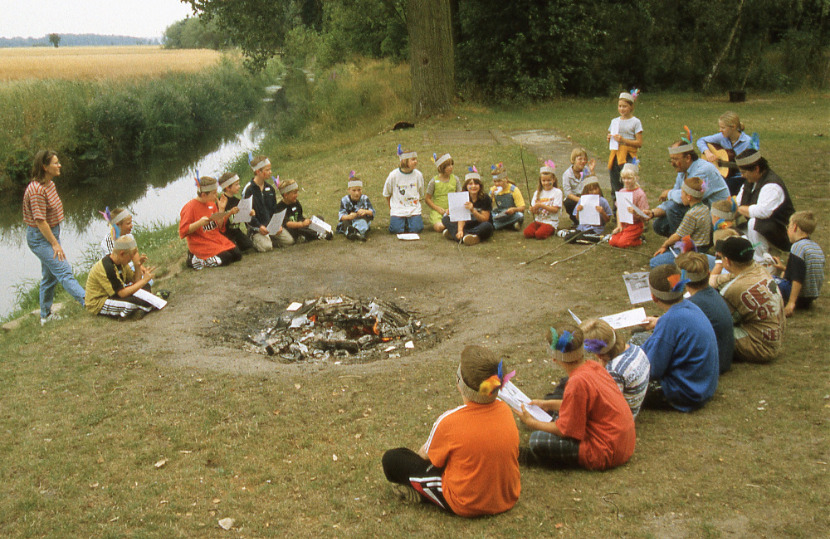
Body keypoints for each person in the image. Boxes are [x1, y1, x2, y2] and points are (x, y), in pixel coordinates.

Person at [381, 345, 520, 517]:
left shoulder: (449, 421)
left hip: (467, 503)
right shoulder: (505, 410)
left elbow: (427, 457)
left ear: (460, 384)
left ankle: (421, 494)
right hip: (507, 496)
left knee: (393, 460)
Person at [516, 323, 636, 470]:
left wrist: (532, 423)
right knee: (545, 414)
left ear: (555, 358)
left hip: (607, 450)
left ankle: (541, 460)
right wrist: (546, 404)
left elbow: (565, 431)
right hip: (623, 442)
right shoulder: (593, 366)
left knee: (537, 440)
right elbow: (580, 405)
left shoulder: (577, 382)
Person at [638, 264, 719, 412]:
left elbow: (653, 369)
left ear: (653, 297)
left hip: (686, 393)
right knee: (638, 340)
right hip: (703, 385)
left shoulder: (670, 321)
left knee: (626, 376)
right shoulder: (689, 306)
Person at [22, 150, 86, 325]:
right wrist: (55, 244)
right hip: (41, 238)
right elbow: (40, 221)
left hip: (51, 234)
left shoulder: (50, 185)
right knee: (64, 271)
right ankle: (90, 303)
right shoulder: (36, 190)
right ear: (45, 166)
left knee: (50, 277)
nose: (59, 165)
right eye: (55, 163)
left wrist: (55, 239)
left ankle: (45, 316)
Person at [710, 236, 785, 363]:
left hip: (759, 347)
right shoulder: (759, 269)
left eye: (720, 257)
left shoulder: (733, 289)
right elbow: (720, 280)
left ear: (727, 261)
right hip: (774, 338)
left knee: (708, 328)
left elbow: (722, 321)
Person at [648, 138, 728, 238]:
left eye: (676, 159)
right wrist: (652, 213)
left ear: (688, 158)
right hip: (701, 211)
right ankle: (682, 243)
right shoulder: (683, 171)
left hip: (717, 218)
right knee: (659, 225)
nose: (672, 163)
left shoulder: (703, 170)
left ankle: (687, 247)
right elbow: (676, 199)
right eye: (671, 159)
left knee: (673, 210)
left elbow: (685, 198)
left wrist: (668, 193)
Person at [675, 252, 735, 374]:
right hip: (723, 358)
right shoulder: (711, 294)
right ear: (708, 273)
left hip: (710, 364)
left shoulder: (693, 305)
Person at [580, 319, 650, 419]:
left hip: (622, 418)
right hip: (632, 403)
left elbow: (608, 405)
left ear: (598, 354)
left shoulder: (614, 370)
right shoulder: (634, 348)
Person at [734, 148, 795, 263]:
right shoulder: (750, 182)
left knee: (753, 222)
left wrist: (740, 209)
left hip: (782, 233)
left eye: (744, 172)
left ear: (756, 169)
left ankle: (762, 261)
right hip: (764, 231)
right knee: (736, 235)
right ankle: (752, 258)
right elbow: (737, 202)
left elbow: (763, 212)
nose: (742, 175)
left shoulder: (772, 185)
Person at [84, 234, 157, 319]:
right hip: (101, 301)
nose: (132, 259)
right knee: (130, 304)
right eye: (131, 257)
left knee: (145, 286)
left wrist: (137, 266)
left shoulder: (121, 263)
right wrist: (144, 280)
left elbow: (135, 281)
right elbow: (122, 294)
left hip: (115, 295)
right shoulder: (108, 267)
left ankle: (142, 307)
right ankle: (139, 309)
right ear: (122, 254)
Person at [179, 175, 242, 270]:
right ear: (204, 195)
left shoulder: (212, 204)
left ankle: (208, 257)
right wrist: (199, 223)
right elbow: (183, 231)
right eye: (214, 193)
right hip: (200, 243)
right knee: (226, 258)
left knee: (237, 255)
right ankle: (195, 259)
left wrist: (221, 209)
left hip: (214, 239)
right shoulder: (190, 207)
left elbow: (220, 227)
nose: (217, 195)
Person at [771, 211, 825, 316]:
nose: (787, 229)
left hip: (799, 296)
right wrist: (783, 268)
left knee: (765, 279)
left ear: (794, 227)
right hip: (810, 296)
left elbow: (798, 278)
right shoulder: (815, 247)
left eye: (788, 226)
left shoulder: (798, 246)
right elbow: (804, 271)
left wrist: (791, 303)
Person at [650, 177, 711, 268]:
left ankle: (685, 266)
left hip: (693, 251)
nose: (681, 196)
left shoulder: (691, 214)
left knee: (654, 262)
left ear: (689, 197)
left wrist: (664, 245)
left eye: (682, 193)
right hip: (703, 246)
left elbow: (677, 236)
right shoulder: (705, 208)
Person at [696, 112, 752, 196]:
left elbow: (752, 165)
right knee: (700, 184)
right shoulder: (721, 137)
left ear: (733, 127)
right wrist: (707, 152)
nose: (720, 130)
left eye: (723, 127)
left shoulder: (748, 143)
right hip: (722, 174)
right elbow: (701, 141)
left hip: (738, 177)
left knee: (717, 188)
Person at [606, 90, 643, 202]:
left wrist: (623, 140)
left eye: (625, 106)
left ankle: (630, 209)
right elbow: (611, 136)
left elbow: (639, 143)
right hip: (615, 154)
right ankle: (616, 210)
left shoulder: (635, 122)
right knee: (615, 183)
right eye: (620, 106)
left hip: (628, 155)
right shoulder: (615, 121)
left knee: (628, 183)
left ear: (631, 107)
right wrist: (609, 138)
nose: (621, 109)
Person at [440, 168, 494, 246]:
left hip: (480, 224)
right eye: (470, 184)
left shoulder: (485, 198)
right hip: (467, 224)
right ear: (466, 186)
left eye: (476, 184)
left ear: (480, 186)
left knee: (487, 226)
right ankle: (466, 236)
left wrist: (473, 210)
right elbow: (460, 217)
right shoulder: (462, 196)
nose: (473, 186)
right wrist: (460, 230)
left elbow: (484, 219)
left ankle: (456, 235)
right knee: (445, 219)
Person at [274, 179, 333, 246]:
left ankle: (323, 230)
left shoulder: (296, 203)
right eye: (294, 193)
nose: (296, 195)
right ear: (285, 195)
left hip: (300, 224)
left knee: (319, 218)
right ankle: (319, 235)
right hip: (292, 230)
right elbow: (287, 224)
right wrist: (302, 224)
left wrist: (307, 221)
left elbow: (300, 216)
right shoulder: (280, 207)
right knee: (302, 229)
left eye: (297, 193)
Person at [241, 155, 280, 252]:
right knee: (267, 247)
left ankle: (271, 238)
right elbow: (245, 216)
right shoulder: (248, 190)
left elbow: (274, 210)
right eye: (267, 170)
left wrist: (277, 224)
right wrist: (258, 227)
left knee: (289, 241)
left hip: (271, 226)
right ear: (258, 172)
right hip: (256, 229)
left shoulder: (270, 189)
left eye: (270, 169)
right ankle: (254, 239)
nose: (270, 172)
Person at [383, 145, 424, 234]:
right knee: (395, 230)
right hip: (398, 208)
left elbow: (420, 192)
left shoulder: (418, 175)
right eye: (413, 160)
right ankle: (402, 222)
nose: (416, 162)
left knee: (417, 229)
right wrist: (391, 206)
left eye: (416, 159)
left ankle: (410, 221)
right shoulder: (393, 175)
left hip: (413, 208)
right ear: (404, 161)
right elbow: (387, 193)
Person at [609, 163, 649, 248]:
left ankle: (639, 240)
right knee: (612, 241)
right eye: (624, 178)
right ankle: (627, 236)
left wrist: (635, 211)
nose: (626, 181)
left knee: (622, 243)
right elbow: (619, 210)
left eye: (629, 178)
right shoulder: (622, 192)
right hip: (624, 224)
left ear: (636, 178)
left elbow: (645, 216)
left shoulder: (640, 194)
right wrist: (619, 225)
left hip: (635, 224)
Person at [523, 160, 562, 240]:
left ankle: (550, 230)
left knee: (539, 234)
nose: (546, 183)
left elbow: (555, 210)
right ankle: (540, 229)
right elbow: (535, 212)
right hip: (538, 220)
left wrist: (541, 205)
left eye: (549, 180)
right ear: (540, 181)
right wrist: (533, 209)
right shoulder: (537, 193)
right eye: (544, 181)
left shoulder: (557, 192)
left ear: (553, 180)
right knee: (527, 233)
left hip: (550, 222)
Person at [217, 172, 255, 252]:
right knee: (234, 250)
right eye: (236, 185)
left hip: (236, 231)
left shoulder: (237, 201)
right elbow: (218, 223)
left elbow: (244, 218)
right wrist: (230, 213)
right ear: (228, 187)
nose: (239, 186)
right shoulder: (220, 202)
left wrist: (250, 213)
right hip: (226, 233)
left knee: (249, 246)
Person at [424, 153, 460, 232]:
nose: (451, 167)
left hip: (452, 210)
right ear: (441, 167)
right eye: (447, 165)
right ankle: (448, 228)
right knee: (439, 227)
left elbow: (459, 196)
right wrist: (437, 208)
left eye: (451, 164)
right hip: (438, 212)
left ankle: (450, 227)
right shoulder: (434, 181)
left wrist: (451, 208)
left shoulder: (455, 179)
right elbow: (427, 199)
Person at [337, 171, 375, 241]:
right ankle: (351, 232)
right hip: (349, 221)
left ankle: (357, 232)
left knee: (362, 221)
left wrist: (365, 212)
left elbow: (372, 212)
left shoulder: (364, 198)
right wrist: (349, 216)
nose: (357, 193)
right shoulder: (345, 200)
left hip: (361, 220)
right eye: (354, 190)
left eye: (359, 190)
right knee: (345, 222)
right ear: (349, 190)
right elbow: (341, 216)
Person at [489, 162, 525, 231]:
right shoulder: (493, 189)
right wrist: (491, 197)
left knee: (520, 215)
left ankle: (497, 225)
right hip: (500, 213)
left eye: (499, 181)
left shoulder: (513, 190)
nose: (497, 184)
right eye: (495, 181)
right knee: (491, 215)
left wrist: (514, 209)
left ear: (506, 179)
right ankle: (511, 225)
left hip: (512, 213)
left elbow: (522, 207)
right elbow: (488, 207)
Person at [562, 148, 595, 221]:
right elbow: (568, 193)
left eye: (585, 159)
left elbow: (594, 184)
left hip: (585, 195)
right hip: (574, 197)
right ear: (573, 160)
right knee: (568, 202)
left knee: (597, 195)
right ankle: (576, 220)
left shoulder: (586, 170)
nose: (583, 162)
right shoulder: (567, 174)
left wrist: (592, 171)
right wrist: (580, 200)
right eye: (580, 159)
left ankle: (593, 219)